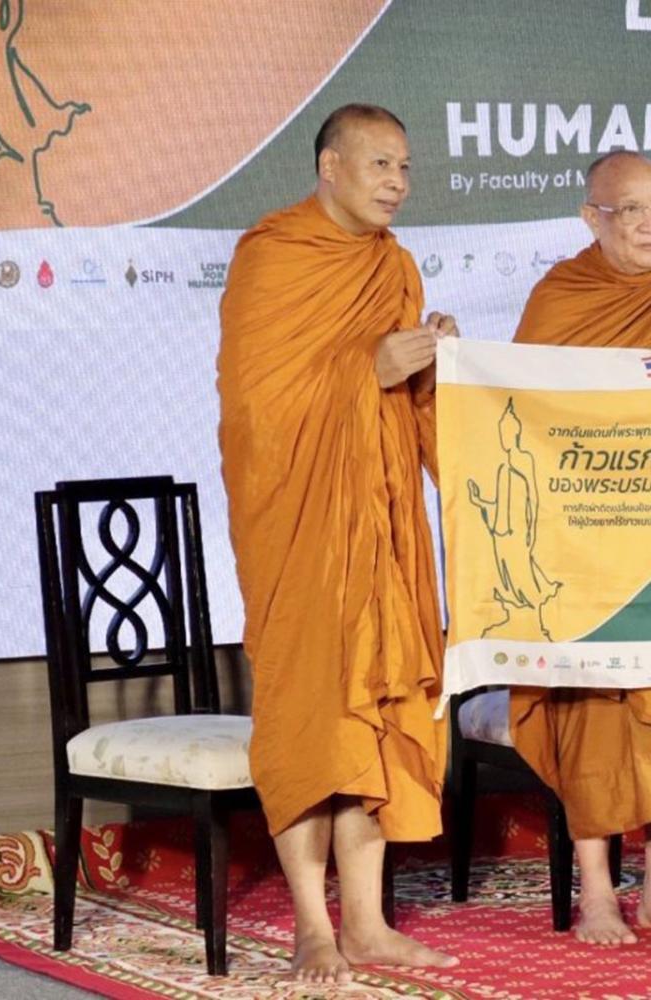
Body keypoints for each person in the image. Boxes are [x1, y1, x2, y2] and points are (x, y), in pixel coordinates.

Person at [217, 103, 458, 984]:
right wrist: (369, 370)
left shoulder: (392, 265)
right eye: (381, 164)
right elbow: (257, 407)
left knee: (382, 707)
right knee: (311, 711)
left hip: (384, 529)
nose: (398, 182)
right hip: (300, 527)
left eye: (405, 168)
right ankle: (311, 927)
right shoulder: (271, 256)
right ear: (329, 167)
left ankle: (367, 921)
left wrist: (432, 368)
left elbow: (409, 413)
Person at [508, 150, 651, 946]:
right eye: (629, 211)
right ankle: (600, 895)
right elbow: (521, 408)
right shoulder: (562, 298)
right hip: (586, 545)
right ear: (591, 218)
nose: (649, 225)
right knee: (595, 717)